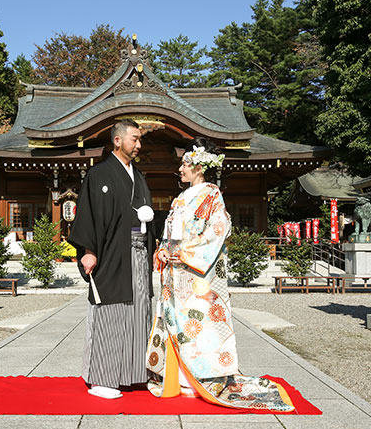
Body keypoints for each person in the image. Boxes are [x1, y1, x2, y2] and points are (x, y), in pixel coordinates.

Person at [147, 137, 296, 411]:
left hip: (196, 277)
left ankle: (201, 379)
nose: (180, 169)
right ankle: (177, 378)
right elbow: (168, 235)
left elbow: (218, 231)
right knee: (176, 323)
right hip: (175, 275)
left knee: (198, 327)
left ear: (199, 166)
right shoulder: (180, 199)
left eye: (184, 164)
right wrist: (163, 251)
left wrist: (183, 252)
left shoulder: (212, 194)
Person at [68, 119, 155, 399]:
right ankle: (102, 379)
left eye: (140, 139)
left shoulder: (138, 176)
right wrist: (89, 250)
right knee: (111, 311)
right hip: (111, 253)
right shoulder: (99, 174)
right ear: (117, 140)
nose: (138, 144)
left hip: (138, 252)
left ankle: (133, 374)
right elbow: (89, 214)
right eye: (134, 138)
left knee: (139, 309)